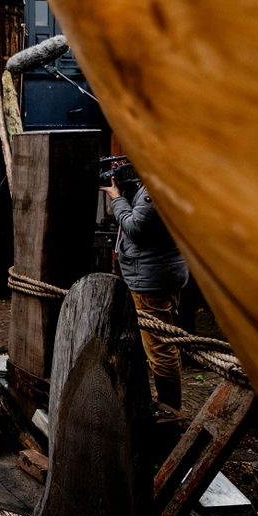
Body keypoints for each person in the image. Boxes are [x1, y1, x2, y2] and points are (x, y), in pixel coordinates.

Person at [101, 172, 188, 411]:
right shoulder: (165, 181)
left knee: (160, 349)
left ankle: (170, 409)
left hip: (151, 278)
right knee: (159, 342)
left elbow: (136, 227)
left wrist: (116, 197)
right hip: (160, 271)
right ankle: (159, 403)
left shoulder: (157, 186)